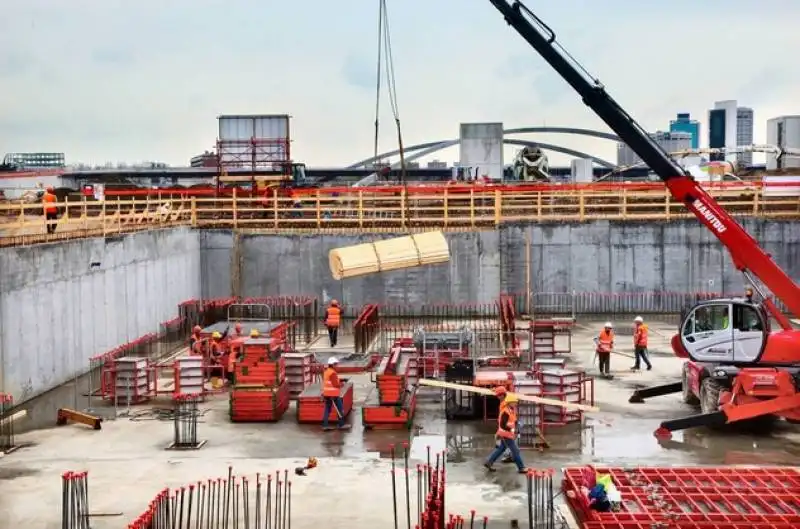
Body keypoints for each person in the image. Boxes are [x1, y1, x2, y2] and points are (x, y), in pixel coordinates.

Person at [484, 394, 527, 473]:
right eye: (514, 402)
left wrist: (517, 423)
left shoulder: (511, 410)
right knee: (515, 450)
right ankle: (521, 468)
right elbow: (502, 425)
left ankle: (489, 462)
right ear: (509, 402)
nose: (516, 403)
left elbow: (513, 419)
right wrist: (512, 430)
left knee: (501, 449)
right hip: (505, 434)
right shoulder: (505, 412)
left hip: (507, 434)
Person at [322, 357, 349, 430]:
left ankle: (325, 426)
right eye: (336, 364)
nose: (337, 366)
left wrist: (341, 379)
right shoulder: (333, 373)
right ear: (333, 365)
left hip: (327, 393)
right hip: (333, 394)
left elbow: (331, 380)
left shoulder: (327, 371)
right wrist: (342, 384)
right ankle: (341, 424)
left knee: (327, 409)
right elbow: (335, 384)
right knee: (340, 408)